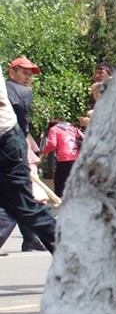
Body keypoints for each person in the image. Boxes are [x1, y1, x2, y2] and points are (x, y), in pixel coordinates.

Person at [0, 66, 56, 254]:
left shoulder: (20, 92)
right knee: (20, 206)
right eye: (25, 72)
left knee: (24, 206)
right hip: (10, 141)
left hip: (5, 142)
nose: (28, 77)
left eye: (29, 74)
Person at [41, 119, 84, 198]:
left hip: (65, 159)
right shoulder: (72, 128)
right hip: (77, 158)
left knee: (59, 183)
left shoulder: (53, 129)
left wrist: (44, 153)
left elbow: (52, 144)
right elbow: (83, 137)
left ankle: (60, 203)